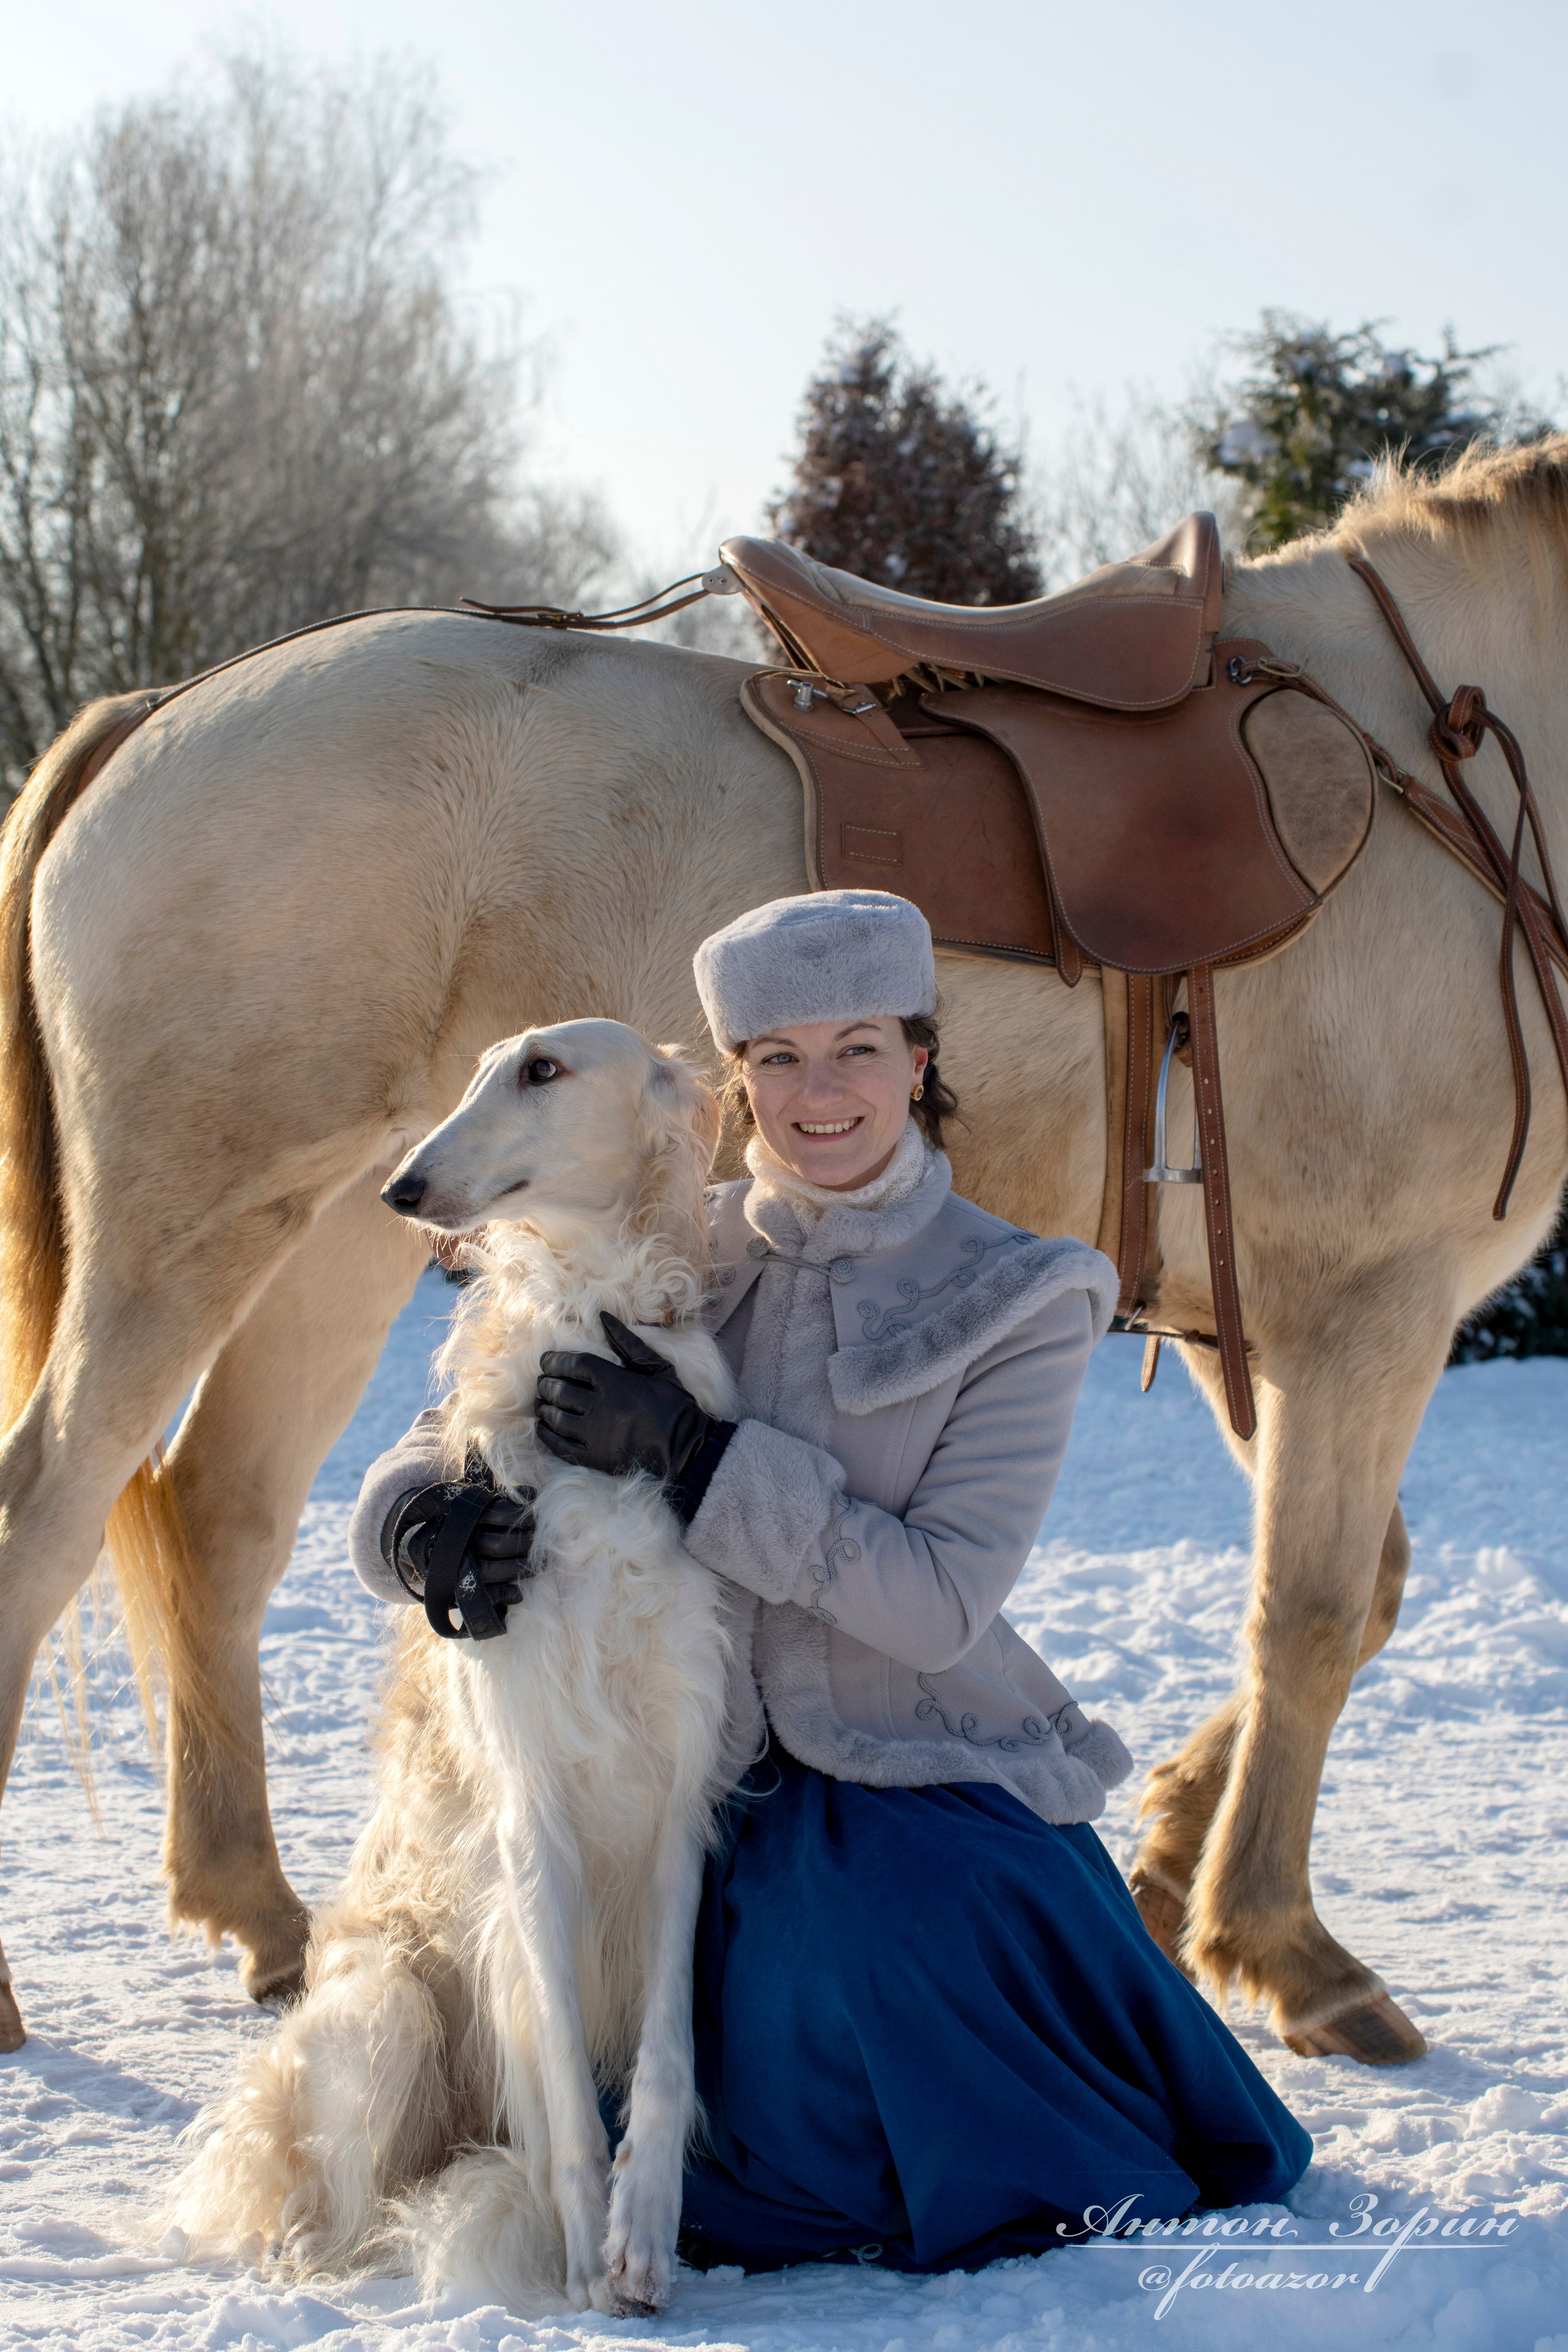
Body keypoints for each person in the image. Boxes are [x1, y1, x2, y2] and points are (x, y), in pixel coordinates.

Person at [348, 888, 1311, 2273]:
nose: (821, 1093)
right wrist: (416, 1532)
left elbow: (938, 1601)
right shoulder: (675, 1237)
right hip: (702, 1777)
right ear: (733, 1091)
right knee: (590, 1994)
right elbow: (449, 1430)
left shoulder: (1020, 1293)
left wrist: (698, 1458)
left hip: (916, 1763)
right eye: (778, 1060)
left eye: (857, 1048)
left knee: (865, 1956)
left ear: (917, 1061)